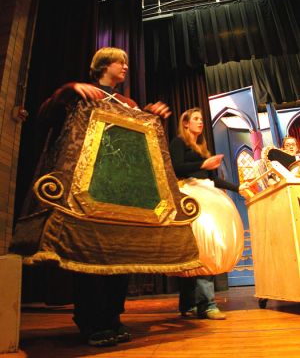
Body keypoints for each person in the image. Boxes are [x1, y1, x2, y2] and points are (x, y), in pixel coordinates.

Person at [34, 47, 171, 346]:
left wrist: (149, 116)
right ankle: (90, 321)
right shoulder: (80, 92)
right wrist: (68, 90)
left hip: (120, 191)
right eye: (120, 62)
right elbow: (44, 116)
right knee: (91, 255)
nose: (125, 66)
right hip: (87, 190)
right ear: (103, 65)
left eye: (125, 62)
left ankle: (112, 317)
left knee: (118, 256)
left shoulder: (127, 102)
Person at [169, 107, 247, 320]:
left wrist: (237, 187)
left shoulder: (204, 148)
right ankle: (200, 304)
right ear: (186, 123)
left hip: (207, 192)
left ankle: (198, 303)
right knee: (197, 249)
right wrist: (203, 163)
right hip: (190, 196)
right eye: (196, 119)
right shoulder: (178, 143)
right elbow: (175, 168)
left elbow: (212, 178)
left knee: (205, 248)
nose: (200, 122)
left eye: (201, 119)